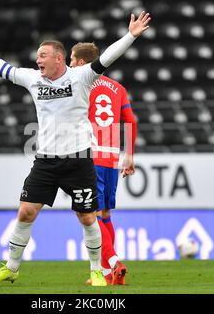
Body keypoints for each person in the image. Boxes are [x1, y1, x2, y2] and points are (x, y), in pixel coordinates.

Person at [0, 11, 151, 286]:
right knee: (25, 211)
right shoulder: (33, 79)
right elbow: (1, 67)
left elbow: (108, 57)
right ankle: (11, 266)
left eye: (42, 55)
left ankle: (97, 271)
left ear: (59, 57)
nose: (37, 60)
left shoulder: (82, 77)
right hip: (45, 160)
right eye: (37, 56)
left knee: (87, 217)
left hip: (79, 159)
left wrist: (130, 36)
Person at [69, 42, 137, 285]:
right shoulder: (118, 88)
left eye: (71, 59)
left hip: (88, 156)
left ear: (80, 63)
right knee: (104, 213)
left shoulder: (79, 83)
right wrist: (129, 155)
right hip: (111, 156)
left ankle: (113, 262)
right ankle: (109, 274)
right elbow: (130, 121)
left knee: (87, 213)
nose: (69, 64)